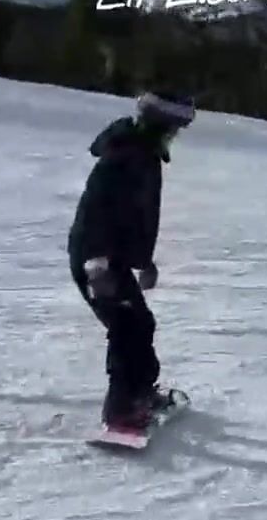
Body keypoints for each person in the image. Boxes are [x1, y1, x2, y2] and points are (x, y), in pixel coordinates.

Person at [68, 90, 196, 430]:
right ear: (160, 124)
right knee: (126, 328)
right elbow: (96, 210)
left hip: (113, 258)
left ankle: (140, 394)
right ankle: (121, 411)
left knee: (140, 324)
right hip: (97, 259)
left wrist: (144, 261)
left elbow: (134, 216)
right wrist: (97, 264)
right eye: (174, 127)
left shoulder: (142, 153)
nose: (175, 134)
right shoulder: (125, 154)